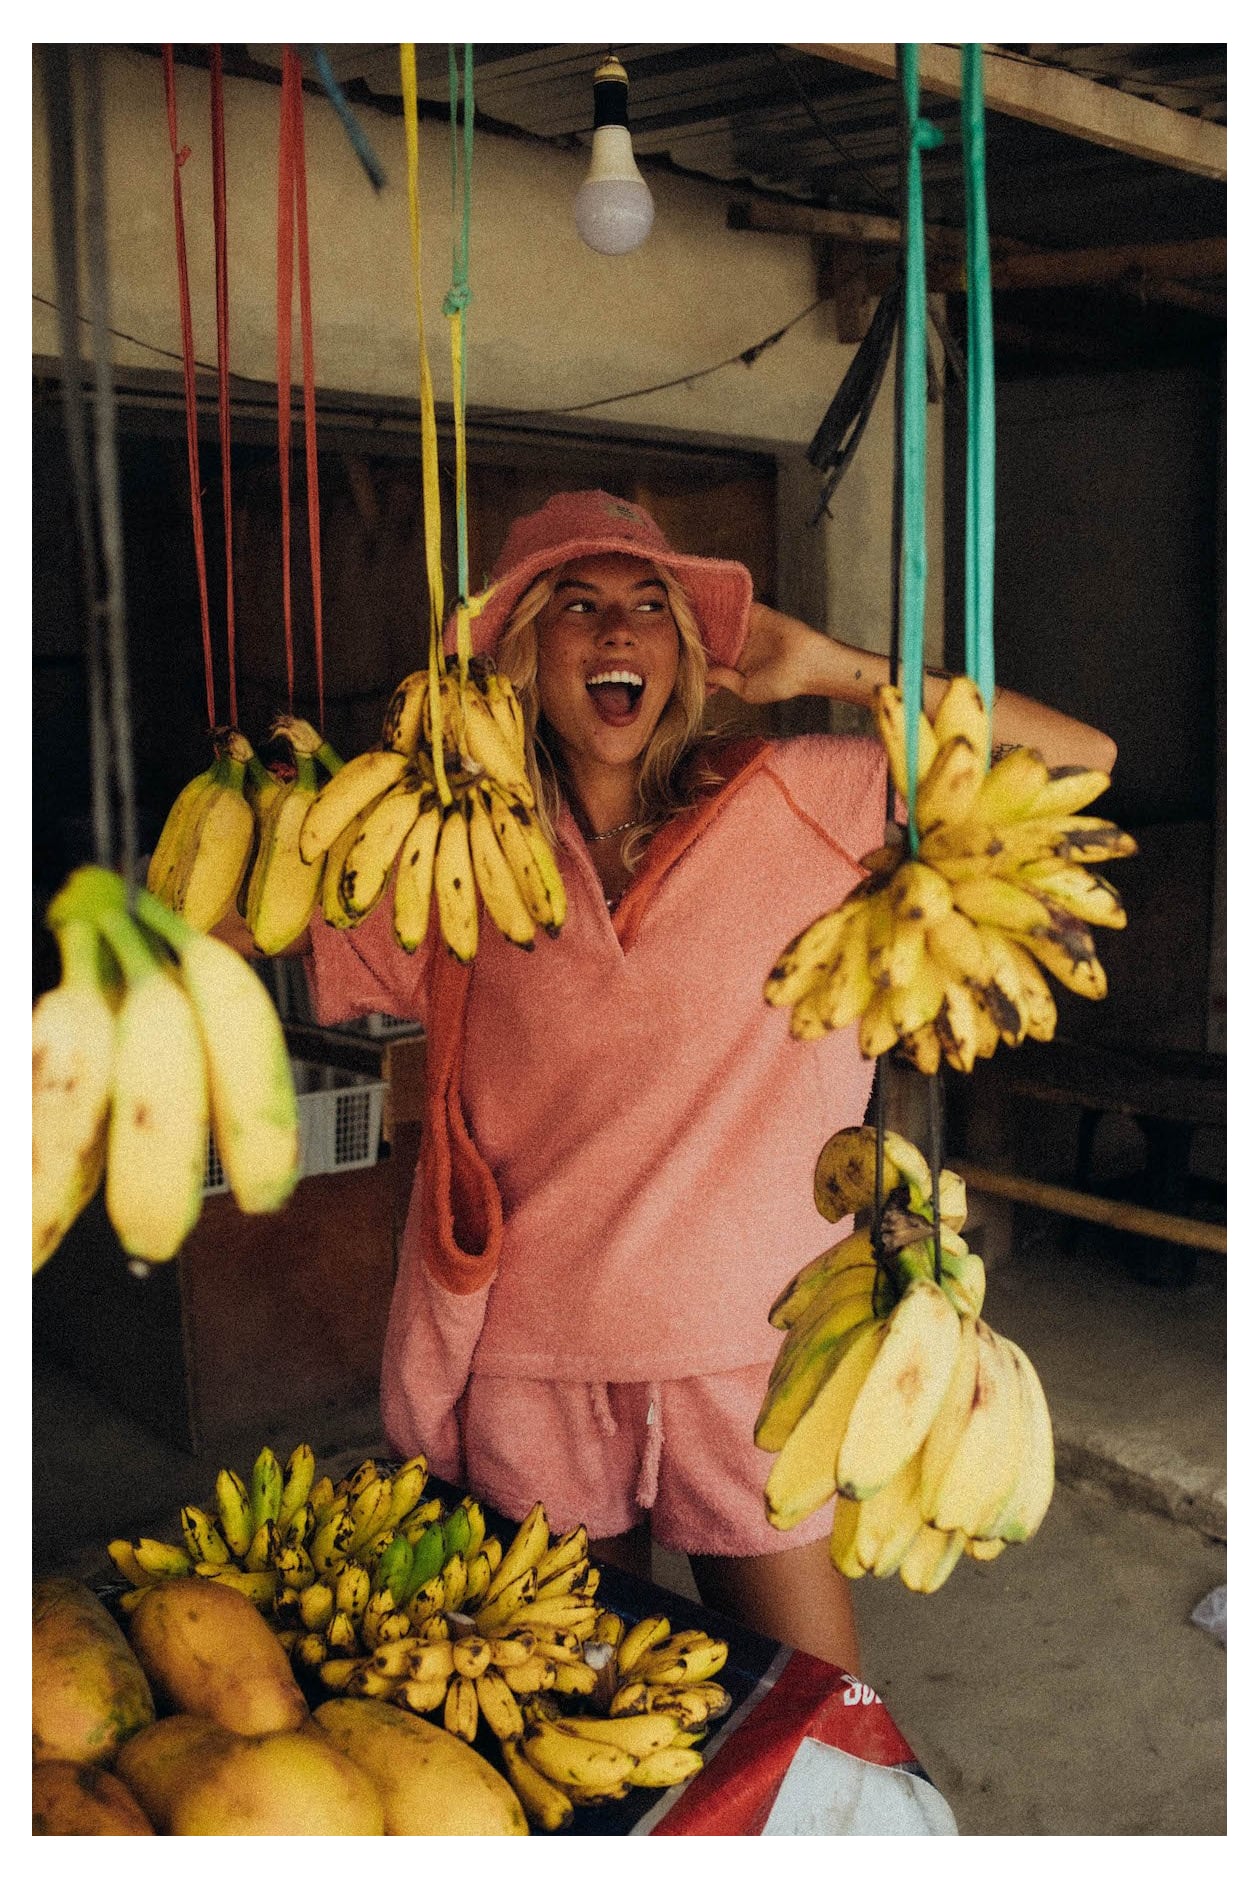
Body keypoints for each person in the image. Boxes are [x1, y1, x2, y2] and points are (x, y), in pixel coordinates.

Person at [232, 489, 1115, 1673]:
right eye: (577, 606)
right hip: (530, 1363)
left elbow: (1079, 761)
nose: (616, 634)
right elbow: (226, 921)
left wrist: (834, 668)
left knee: (824, 1739)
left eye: (651, 607)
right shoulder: (456, 855)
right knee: (584, 1753)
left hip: (754, 1356)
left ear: (689, 654)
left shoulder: (815, 795)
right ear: (522, 652)